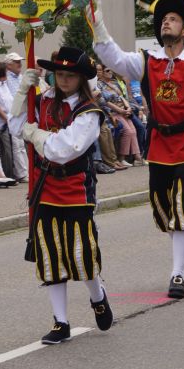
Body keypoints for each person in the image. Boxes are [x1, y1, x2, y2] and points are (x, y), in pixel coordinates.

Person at [90, 0, 184, 299]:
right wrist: (97, 22)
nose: (166, 21)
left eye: (173, 19)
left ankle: (177, 273)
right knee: (161, 209)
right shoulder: (147, 60)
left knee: (182, 204)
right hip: (158, 143)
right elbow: (112, 57)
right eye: (164, 18)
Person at [10, 46, 113, 343]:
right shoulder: (41, 101)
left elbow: (65, 150)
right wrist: (21, 92)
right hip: (45, 188)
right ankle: (60, 321)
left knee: (80, 253)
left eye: (70, 75)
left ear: (81, 78)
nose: (63, 80)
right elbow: (16, 127)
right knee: (50, 255)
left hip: (76, 188)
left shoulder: (88, 112)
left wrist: (36, 135)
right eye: (59, 74)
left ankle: (97, 296)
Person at [95, 63, 140, 168]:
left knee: (134, 130)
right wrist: (121, 111)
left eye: (111, 71)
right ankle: (120, 158)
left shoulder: (114, 83)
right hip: (113, 112)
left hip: (122, 110)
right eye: (107, 71)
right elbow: (105, 102)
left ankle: (137, 157)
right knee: (126, 131)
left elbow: (122, 97)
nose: (110, 72)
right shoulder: (99, 84)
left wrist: (127, 107)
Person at [2, 53, 29, 182]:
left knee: (23, 145)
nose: (20, 64)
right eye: (16, 62)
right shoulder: (5, 78)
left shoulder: (21, 77)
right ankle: (22, 173)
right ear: (8, 65)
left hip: (24, 112)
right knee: (17, 145)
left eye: (20, 61)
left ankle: (26, 171)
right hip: (13, 114)